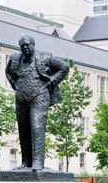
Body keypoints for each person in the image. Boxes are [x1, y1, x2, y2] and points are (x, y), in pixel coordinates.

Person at [5, 35, 69, 171]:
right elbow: (8, 72)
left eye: (28, 45)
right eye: (23, 46)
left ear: (33, 45)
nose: (25, 48)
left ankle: (38, 162)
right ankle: (26, 162)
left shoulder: (45, 57)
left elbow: (64, 67)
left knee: (37, 127)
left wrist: (51, 82)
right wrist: (14, 84)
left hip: (39, 96)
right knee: (23, 129)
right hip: (21, 97)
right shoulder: (15, 58)